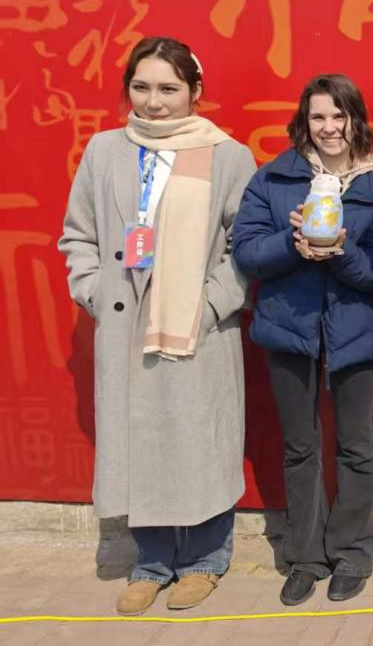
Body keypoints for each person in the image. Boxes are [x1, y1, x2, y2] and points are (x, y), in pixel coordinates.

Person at [58, 36, 257, 615]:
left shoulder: (226, 155)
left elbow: (245, 247)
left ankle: (205, 559)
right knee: (140, 439)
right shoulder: (105, 151)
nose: (154, 101)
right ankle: (151, 562)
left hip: (195, 325)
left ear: (195, 91)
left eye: (169, 88)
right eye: (141, 87)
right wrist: (95, 290)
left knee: (199, 439)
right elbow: (79, 234)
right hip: (126, 323)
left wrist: (211, 305)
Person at [232, 74, 373, 606]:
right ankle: (304, 557)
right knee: (300, 447)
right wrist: (293, 241)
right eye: (318, 116)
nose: (329, 127)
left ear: (355, 119)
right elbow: (247, 252)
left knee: (356, 446)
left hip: (355, 331)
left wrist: (341, 252)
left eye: (339, 115)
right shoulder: (274, 178)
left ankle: (352, 554)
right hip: (289, 329)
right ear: (304, 121)